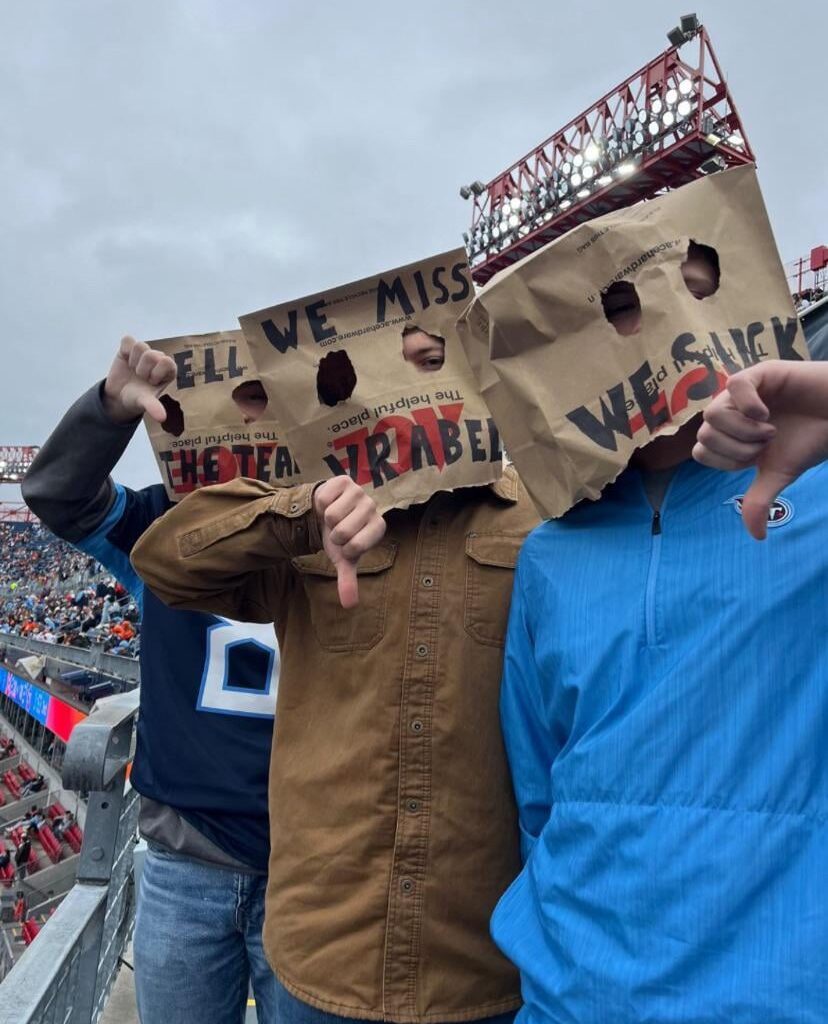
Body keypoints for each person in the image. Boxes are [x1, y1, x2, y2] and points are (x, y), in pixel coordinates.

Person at [131, 348, 540, 1024]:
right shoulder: (315, 513)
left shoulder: (545, 512)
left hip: (484, 963)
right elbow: (164, 563)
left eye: (437, 358)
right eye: (399, 362)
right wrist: (301, 513)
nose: (419, 382)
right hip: (322, 955)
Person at [487, 282, 827, 1018]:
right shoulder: (548, 551)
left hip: (781, 994)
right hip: (571, 995)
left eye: (654, 296)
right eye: (599, 313)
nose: (628, 331)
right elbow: (538, 789)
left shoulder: (819, 491)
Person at [23, 336, 282, 1024]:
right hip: (185, 859)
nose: (251, 423)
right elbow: (57, 493)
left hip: (312, 861)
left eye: (268, 404)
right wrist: (110, 408)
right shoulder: (162, 523)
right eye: (240, 404)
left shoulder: (343, 522)